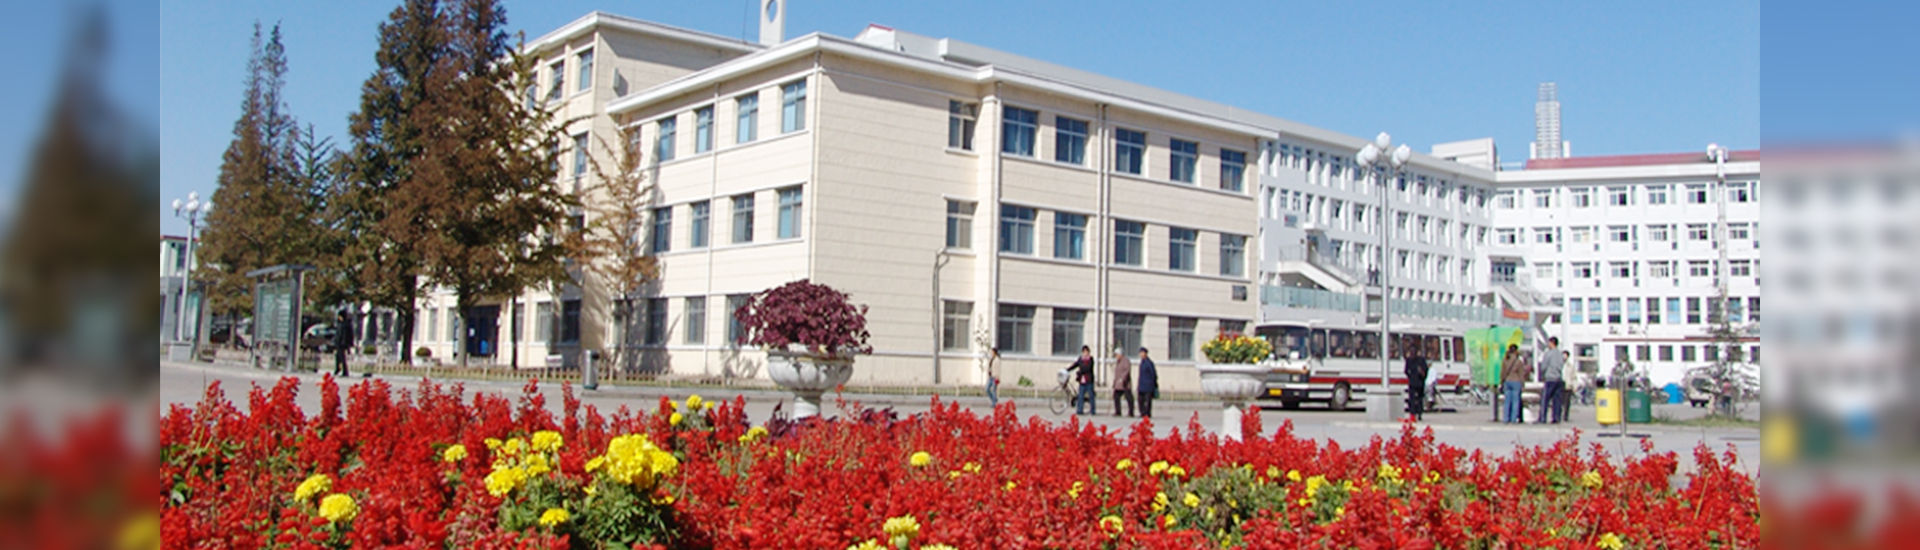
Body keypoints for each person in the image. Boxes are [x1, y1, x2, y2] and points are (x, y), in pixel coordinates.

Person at [1536, 337, 1567, 424]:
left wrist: (1542, 373)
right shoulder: (1560, 354)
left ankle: (1542, 417)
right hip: (1559, 378)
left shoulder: (1548, 353)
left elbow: (1544, 366)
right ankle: (1556, 417)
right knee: (1557, 400)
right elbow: (1562, 364)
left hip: (1550, 378)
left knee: (1545, 399)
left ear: (1552, 343)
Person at [1501, 343, 1528, 423]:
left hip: (1507, 381)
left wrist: (1502, 381)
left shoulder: (1505, 360)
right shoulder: (1518, 361)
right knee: (1515, 402)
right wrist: (1523, 384)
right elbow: (1521, 374)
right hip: (1516, 381)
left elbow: (1503, 372)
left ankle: (1506, 418)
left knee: (1507, 401)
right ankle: (1513, 419)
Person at [1403, 343, 1428, 421]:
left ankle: (1414, 414)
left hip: (1415, 382)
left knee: (1414, 399)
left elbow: (1406, 371)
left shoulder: (1410, 360)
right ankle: (1417, 414)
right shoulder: (1420, 360)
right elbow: (1426, 371)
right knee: (1417, 399)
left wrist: (1411, 377)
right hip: (1418, 382)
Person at [1072, 345, 1097, 416]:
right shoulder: (1081, 359)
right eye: (1084, 352)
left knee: (1091, 395)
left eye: (1087, 352)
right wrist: (1067, 369)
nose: (1086, 353)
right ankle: (1080, 410)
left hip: (1089, 381)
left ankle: (1093, 410)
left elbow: (1088, 368)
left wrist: (1080, 370)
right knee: (1080, 396)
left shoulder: (1090, 359)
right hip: (1082, 381)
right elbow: (1075, 365)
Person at [1135, 347, 1158, 419]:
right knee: (1140, 400)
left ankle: (1147, 413)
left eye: (1142, 353)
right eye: (1140, 353)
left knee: (1148, 401)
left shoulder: (1149, 363)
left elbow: (1153, 374)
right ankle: (1142, 413)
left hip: (1148, 385)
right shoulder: (1142, 363)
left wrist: (1153, 384)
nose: (1141, 354)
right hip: (1142, 385)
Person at [1111, 347, 1135, 417]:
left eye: (1117, 355)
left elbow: (1127, 371)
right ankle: (1118, 411)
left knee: (1129, 397)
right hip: (1118, 384)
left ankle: (1131, 412)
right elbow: (1117, 373)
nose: (1116, 356)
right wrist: (1115, 382)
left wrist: (1123, 379)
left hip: (1125, 384)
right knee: (1116, 396)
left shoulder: (1126, 361)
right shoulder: (1118, 362)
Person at [332, 311, 353, 378]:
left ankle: (345, 371)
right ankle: (337, 369)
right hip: (338, 343)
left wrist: (345, 343)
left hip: (342, 344)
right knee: (337, 356)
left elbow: (345, 335)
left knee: (342, 357)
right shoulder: (340, 324)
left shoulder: (345, 325)